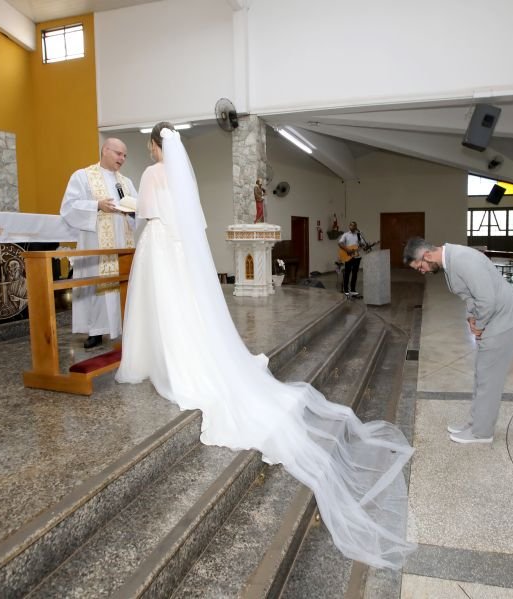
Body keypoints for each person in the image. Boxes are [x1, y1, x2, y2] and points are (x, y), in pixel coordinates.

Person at [115, 123, 414, 570]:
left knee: (158, 306)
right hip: (178, 248)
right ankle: (184, 354)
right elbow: (190, 218)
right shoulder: (181, 177)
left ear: (154, 147)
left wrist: (131, 206)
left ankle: (154, 358)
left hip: (158, 245)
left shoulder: (152, 174)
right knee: (183, 309)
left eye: (148, 145)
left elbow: (144, 216)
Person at [403, 238, 513, 444]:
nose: (422, 271)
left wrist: (479, 325)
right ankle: (476, 423)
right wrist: (472, 317)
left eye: (420, 266)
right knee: (482, 376)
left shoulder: (462, 259)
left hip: (503, 322)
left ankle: (482, 433)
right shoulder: (452, 259)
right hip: (494, 319)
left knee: (489, 381)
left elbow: (487, 299)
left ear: (427, 255)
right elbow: (471, 295)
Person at [60, 138, 137, 349]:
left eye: (124, 155)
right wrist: (97, 205)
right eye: (118, 153)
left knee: (120, 283)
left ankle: (124, 327)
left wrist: (134, 211)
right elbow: (68, 207)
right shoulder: (83, 176)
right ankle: (95, 331)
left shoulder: (126, 182)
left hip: (121, 242)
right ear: (105, 151)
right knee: (96, 285)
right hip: (96, 243)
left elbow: (137, 210)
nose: (122, 158)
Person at [337, 221, 369, 297]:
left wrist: (363, 245)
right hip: (348, 256)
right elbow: (340, 243)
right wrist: (347, 249)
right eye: (350, 225)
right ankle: (346, 290)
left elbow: (362, 245)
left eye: (353, 225)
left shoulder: (359, 235)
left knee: (355, 274)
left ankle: (353, 290)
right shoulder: (346, 234)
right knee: (347, 273)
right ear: (349, 226)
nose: (352, 226)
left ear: (356, 227)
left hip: (357, 257)